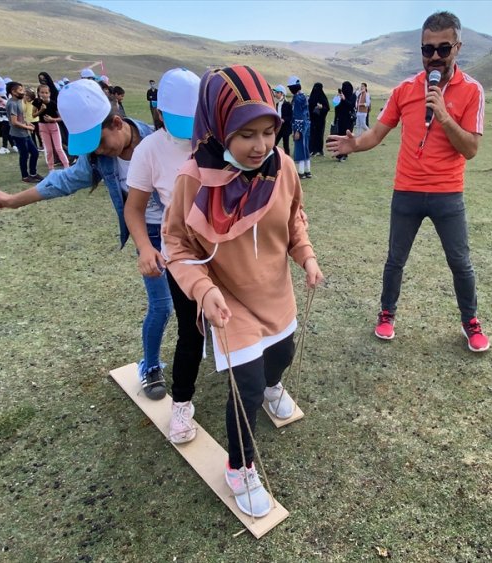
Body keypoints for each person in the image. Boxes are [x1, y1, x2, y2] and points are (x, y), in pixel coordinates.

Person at [163, 65, 324, 517]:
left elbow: (294, 220)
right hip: (228, 300)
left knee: (281, 359)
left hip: (275, 291)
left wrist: (307, 256)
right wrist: (201, 288)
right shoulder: (192, 180)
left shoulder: (284, 169)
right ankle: (240, 467)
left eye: (268, 131)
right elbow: (175, 242)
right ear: (218, 128)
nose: (260, 146)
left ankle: (276, 384)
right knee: (246, 389)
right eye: (246, 133)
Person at [0, 79, 188, 407]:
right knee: (162, 306)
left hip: (184, 235)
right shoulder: (98, 158)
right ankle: (150, 367)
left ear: (117, 123)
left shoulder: (161, 139)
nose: (97, 151)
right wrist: (13, 201)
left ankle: (205, 349)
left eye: (100, 142)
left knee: (196, 300)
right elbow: (63, 181)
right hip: (146, 236)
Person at [326, 11, 490, 353]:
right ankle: (387, 314)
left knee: (460, 262)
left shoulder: (472, 90)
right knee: (395, 260)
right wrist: (355, 145)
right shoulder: (405, 90)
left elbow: (471, 149)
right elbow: (377, 132)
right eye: (427, 49)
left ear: (457, 47)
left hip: (448, 194)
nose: (434, 57)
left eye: (443, 49)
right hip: (407, 191)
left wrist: (443, 115)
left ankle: (470, 322)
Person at [125, 68, 205, 441]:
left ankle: (266, 385)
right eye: (179, 120)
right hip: (182, 250)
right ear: (159, 113)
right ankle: (181, 407)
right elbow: (134, 208)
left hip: (227, 245)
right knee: (191, 329)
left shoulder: (218, 138)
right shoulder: (150, 149)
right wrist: (145, 247)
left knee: (243, 318)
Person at [5, 82, 40, 181]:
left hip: (24, 133)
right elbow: (14, 122)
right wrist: (27, 127)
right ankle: (25, 176)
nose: (23, 92)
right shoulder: (12, 103)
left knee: (34, 153)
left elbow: (20, 118)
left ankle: (33, 174)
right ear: (13, 92)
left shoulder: (18, 102)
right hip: (18, 134)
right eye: (20, 90)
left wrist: (27, 123)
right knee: (24, 155)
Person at [32, 83, 70, 171]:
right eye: (42, 92)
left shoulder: (53, 104)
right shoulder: (37, 102)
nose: (44, 94)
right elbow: (33, 115)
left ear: (49, 94)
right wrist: (41, 110)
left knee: (58, 148)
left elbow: (61, 117)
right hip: (43, 127)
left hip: (53, 127)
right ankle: (51, 168)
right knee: (48, 149)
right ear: (38, 93)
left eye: (46, 93)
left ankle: (66, 166)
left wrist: (53, 119)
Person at [287, 76, 312, 179]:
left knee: (300, 148)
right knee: (305, 147)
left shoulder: (297, 99)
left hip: (300, 126)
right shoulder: (304, 96)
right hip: (306, 125)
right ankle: (307, 170)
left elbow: (298, 116)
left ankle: (301, 172)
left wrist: (297, 130)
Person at [332, 81, 356, 162]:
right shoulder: (341, 95)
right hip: (340, 119)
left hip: (348, 119)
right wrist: (337, 97)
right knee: (339, 136)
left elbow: (351, 106)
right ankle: (339, 154)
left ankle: (344, 154)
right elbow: (335, 105)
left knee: (346, 137)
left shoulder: (353, 96)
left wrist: (344, 99)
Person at [307, 82, 330, 156]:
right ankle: (311, 150)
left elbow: (327, 108)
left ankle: (319, 150)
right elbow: (308, 107)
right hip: (312, 119)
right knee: (312, 134)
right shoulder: (311, 97)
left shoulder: (323, 98)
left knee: (319, 135)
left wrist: (321, 107)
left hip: (320, 120)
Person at [272, 85, 292, 156]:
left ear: (282, 93)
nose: (276, 94)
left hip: (285, 127)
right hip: (279, 126)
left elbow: (290, 116)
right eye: (276, 92)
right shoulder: (277, 104)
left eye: (277, 92)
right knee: (274, 142)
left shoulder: (288, 104)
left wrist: (284, 119)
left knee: (285, 144)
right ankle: (273, 157)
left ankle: (288, 158)